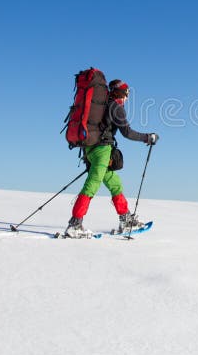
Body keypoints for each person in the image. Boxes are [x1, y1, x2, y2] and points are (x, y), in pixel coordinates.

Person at [64, 79, 159, 238]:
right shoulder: (116, 108)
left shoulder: (103, 104)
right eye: (127, 94)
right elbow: (127, 132)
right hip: (102, 150)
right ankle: (75, 224)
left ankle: (125, 220)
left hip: (90, 149)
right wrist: (148, 137)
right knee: (92, 185)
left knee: (115, 183)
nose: (127, 98)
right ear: (121, 93)